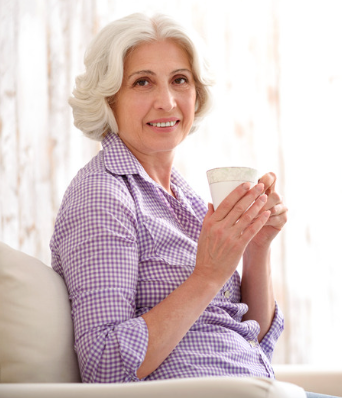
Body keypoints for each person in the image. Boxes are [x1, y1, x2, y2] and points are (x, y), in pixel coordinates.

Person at [50, 12, 288, 383]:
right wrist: (207, 276)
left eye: (180, 80)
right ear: (109, 98)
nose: (166, 101)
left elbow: (252, 340)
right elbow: (104, 365)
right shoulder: (102, 196)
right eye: (142, 82)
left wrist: (257, 247)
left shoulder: (188, 199)